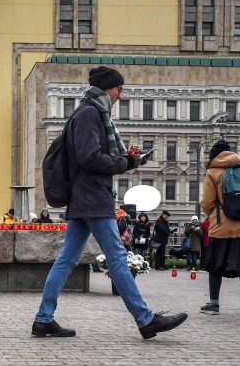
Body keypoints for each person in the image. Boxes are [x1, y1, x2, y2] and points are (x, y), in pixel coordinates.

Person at [31, 66, 187, 340]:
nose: (119, 95)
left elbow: (89, 156)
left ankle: (44, 318)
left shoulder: (88, 113)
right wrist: (125, 162)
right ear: (107, 89)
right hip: (92, 195)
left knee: (67, 259)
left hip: (85, 195)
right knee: (116, 256)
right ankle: (145, 319)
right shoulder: (90, 114)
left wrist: (128, 159)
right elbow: (89, 158)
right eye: (118, 89)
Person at [199, 140, 240, 322]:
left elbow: (208, 202)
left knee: (215, 265)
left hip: (223, 227)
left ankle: (213, 303)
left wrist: (210, 213)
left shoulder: (213, 172)